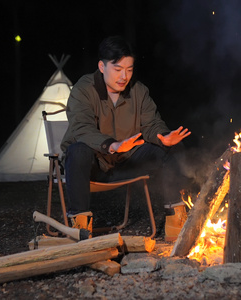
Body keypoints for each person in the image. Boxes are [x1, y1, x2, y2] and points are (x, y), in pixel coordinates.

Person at [60, 36, 191, 239]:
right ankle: (80, 228)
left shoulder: (138, 91)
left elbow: (151, 124)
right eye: (118, 69)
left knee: (168, 149)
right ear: (102, 67)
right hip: (93, 164)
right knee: (77, 150)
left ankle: (175, 223)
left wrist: (164, 136)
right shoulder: (83, 90)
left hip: (125, 161)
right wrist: (112, 145)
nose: (124, 76)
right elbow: (82, 128)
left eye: (129, 69)